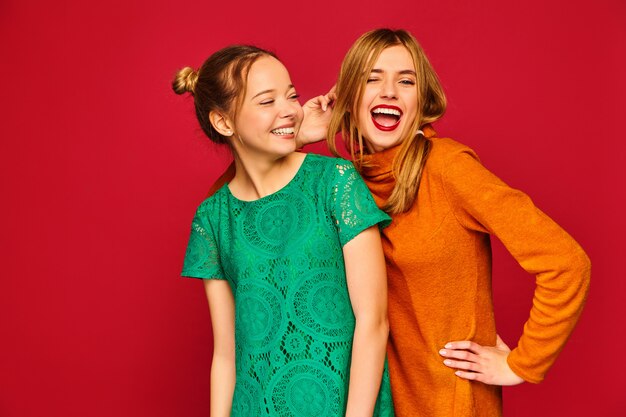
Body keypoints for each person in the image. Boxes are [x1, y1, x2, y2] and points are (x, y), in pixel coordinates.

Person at [325, 29, 591, 416]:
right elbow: (226, 215)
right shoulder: (343, 185)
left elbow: (566, 261)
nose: (389, 92)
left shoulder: (446, 167)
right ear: (348, 97)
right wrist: (305, 131)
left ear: (422, 100)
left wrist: (523, 363)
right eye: (371, 78)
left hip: (450, 404)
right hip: (372, 403)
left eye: (406, 80)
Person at [172, 45, 394, 417]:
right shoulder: (212, 218)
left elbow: (373, 321)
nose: (290, 109)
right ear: (224, 123)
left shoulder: (334, 184)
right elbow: (226, 354)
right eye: (266, 101)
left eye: (291, 95)